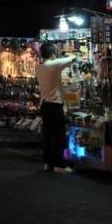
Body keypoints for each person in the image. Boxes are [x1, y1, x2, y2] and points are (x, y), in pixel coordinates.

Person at [37, 42, 75, 174]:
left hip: (45, 104)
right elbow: (73, 58)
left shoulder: (39, 67)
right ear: (53, 53)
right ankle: (59, 165)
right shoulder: (53, 65)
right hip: (54, 105)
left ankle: (47, 163)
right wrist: (68, 54)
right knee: (58, 136)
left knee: (47, 135)